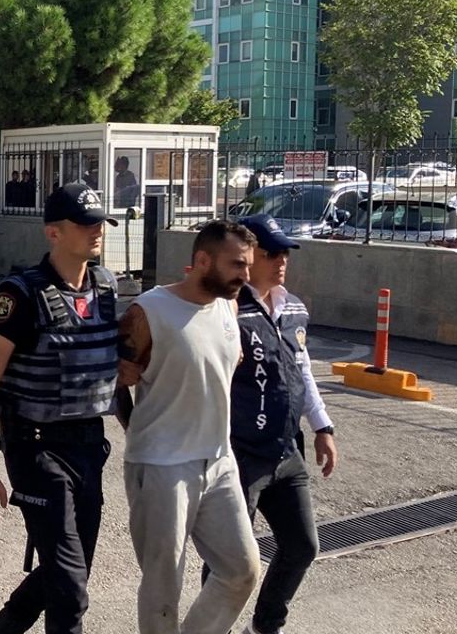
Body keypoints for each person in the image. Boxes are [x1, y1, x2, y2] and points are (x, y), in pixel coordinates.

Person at [0, 185, 121, 634]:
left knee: (67, 572)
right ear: (53, 232)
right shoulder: (21, 295)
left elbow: (119, 374)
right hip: (35, 450)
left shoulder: (107, 288)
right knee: (71, 590)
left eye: (99, 222)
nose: (96, 231)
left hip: (90, 447)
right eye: (84, 223)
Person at [116, 219, 261, 634]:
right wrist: (140, 438)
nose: (245, 276)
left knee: (241, 571)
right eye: (237, 265)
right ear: (201, 260)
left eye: (248, 266)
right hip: (162, 466)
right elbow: (116, 381)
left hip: (218, 460)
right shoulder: (149, 311)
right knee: (164, 587)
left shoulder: (228, 305)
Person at [210, 214, 337, 634]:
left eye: (285, 252)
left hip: (286, 451)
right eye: (270, 253)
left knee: (302, 546)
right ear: (248, 257)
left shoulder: (293, 306)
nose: (280, 261)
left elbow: (303, 370)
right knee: (228, 559)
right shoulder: (227, 308)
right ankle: (211, 626)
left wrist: (323, 427)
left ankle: (265, 626)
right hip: (241, 452)